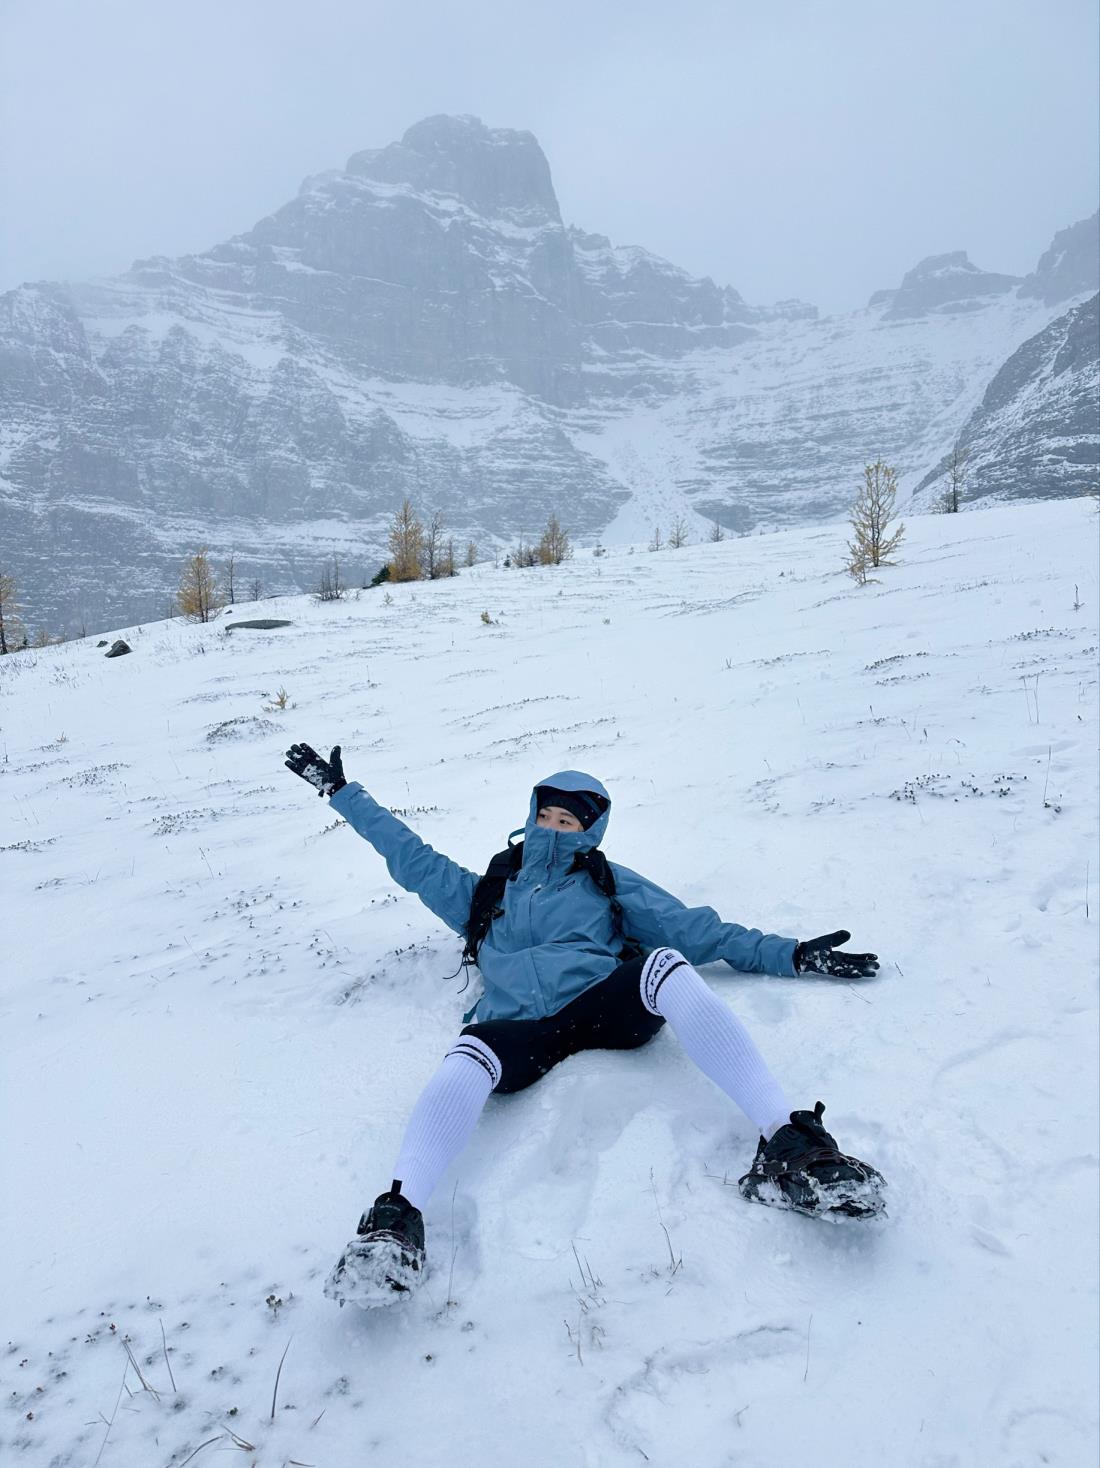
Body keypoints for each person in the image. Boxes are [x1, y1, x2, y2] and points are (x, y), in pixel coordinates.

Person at [285, 744, 885, 1309]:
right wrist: (341, 793)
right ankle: (396, 1220)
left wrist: (791, 954)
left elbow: (697, 931)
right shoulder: (486, 892)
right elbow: (410, 856)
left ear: (590, 830)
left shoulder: (605, 881)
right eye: (546, 815)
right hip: (520, 1033)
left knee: (665, 964)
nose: (553, 826)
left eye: (567, 821)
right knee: (468, 1051)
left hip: (600, 1009)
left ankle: (787, 1141)